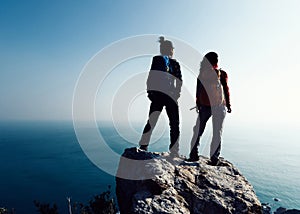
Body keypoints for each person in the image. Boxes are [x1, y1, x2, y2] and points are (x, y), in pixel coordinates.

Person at [139, 36, 182, 156]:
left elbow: (151, 77)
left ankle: (144, 146)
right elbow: (178, 80)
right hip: (163, 95)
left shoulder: (170, 62)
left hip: (163, 95)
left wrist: (150, 92)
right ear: (170, 49)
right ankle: (173, 151)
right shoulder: (161, 60)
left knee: (157, 121)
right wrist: (150, 92)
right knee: (173, 124)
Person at [187, 52, 231, 165]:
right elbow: (226, 90)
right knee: (217, 133)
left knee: (198, 131)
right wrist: (229, 105)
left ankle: (193, 155)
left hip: (204, 106)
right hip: (219, 106)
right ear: (216, 61)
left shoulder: (202, 74)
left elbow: (198, 92)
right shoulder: (222, 73)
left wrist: (198, 104)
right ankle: (214, 159)